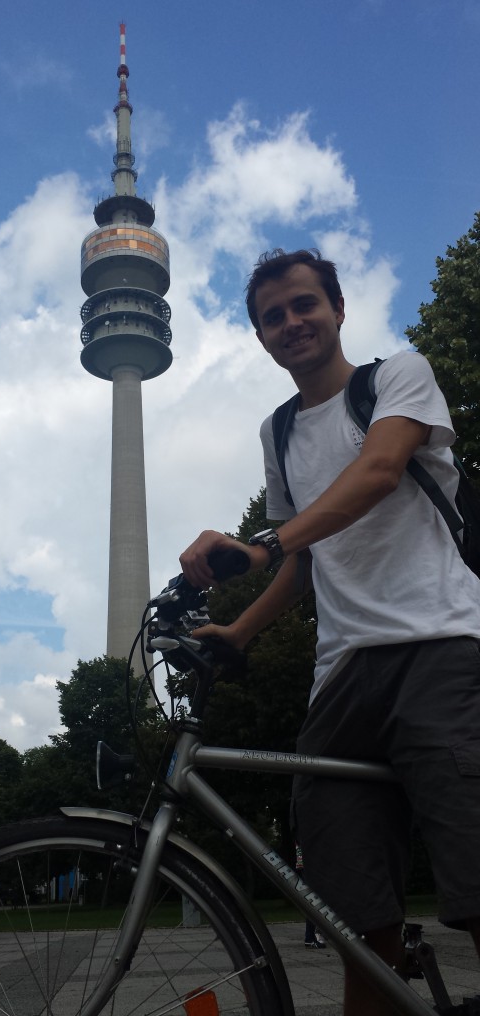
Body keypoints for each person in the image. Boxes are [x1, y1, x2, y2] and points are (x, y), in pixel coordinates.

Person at [179, 249, 480, 1016]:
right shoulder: (277, 434)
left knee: (475, 872)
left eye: (303, 305)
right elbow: (303, 559)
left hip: (438, 645)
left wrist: (260, 544)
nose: (290, 323)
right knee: (351, 912)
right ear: (259, 335)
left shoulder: (398, 377)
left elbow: (377, 473)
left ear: (338, 308)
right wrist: (238, 632)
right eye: (272, 316)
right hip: (341, 676)